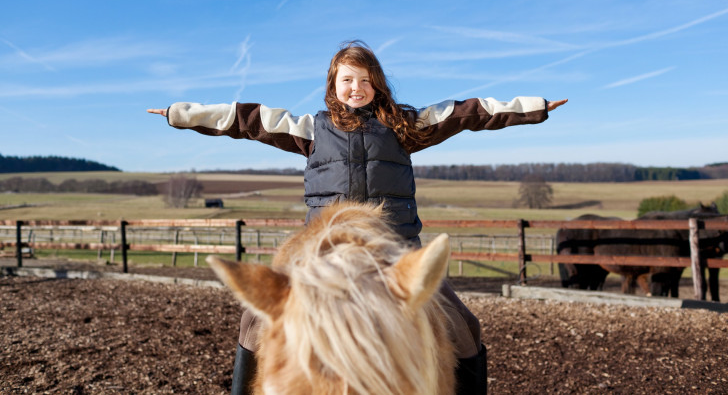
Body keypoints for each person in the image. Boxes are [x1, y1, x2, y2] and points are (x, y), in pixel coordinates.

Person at [148, 40, 567, 394]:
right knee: (254, 326)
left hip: (396, 257)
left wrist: (535, 107)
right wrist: (179, 114)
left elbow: (470, 113)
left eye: (365, 80)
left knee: (463, 329)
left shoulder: (405, 125)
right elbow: (244, 120)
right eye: (347, 79)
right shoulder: (310, 129)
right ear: (334, 85)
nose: (357, 88)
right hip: (322, 260)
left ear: (377, 84)